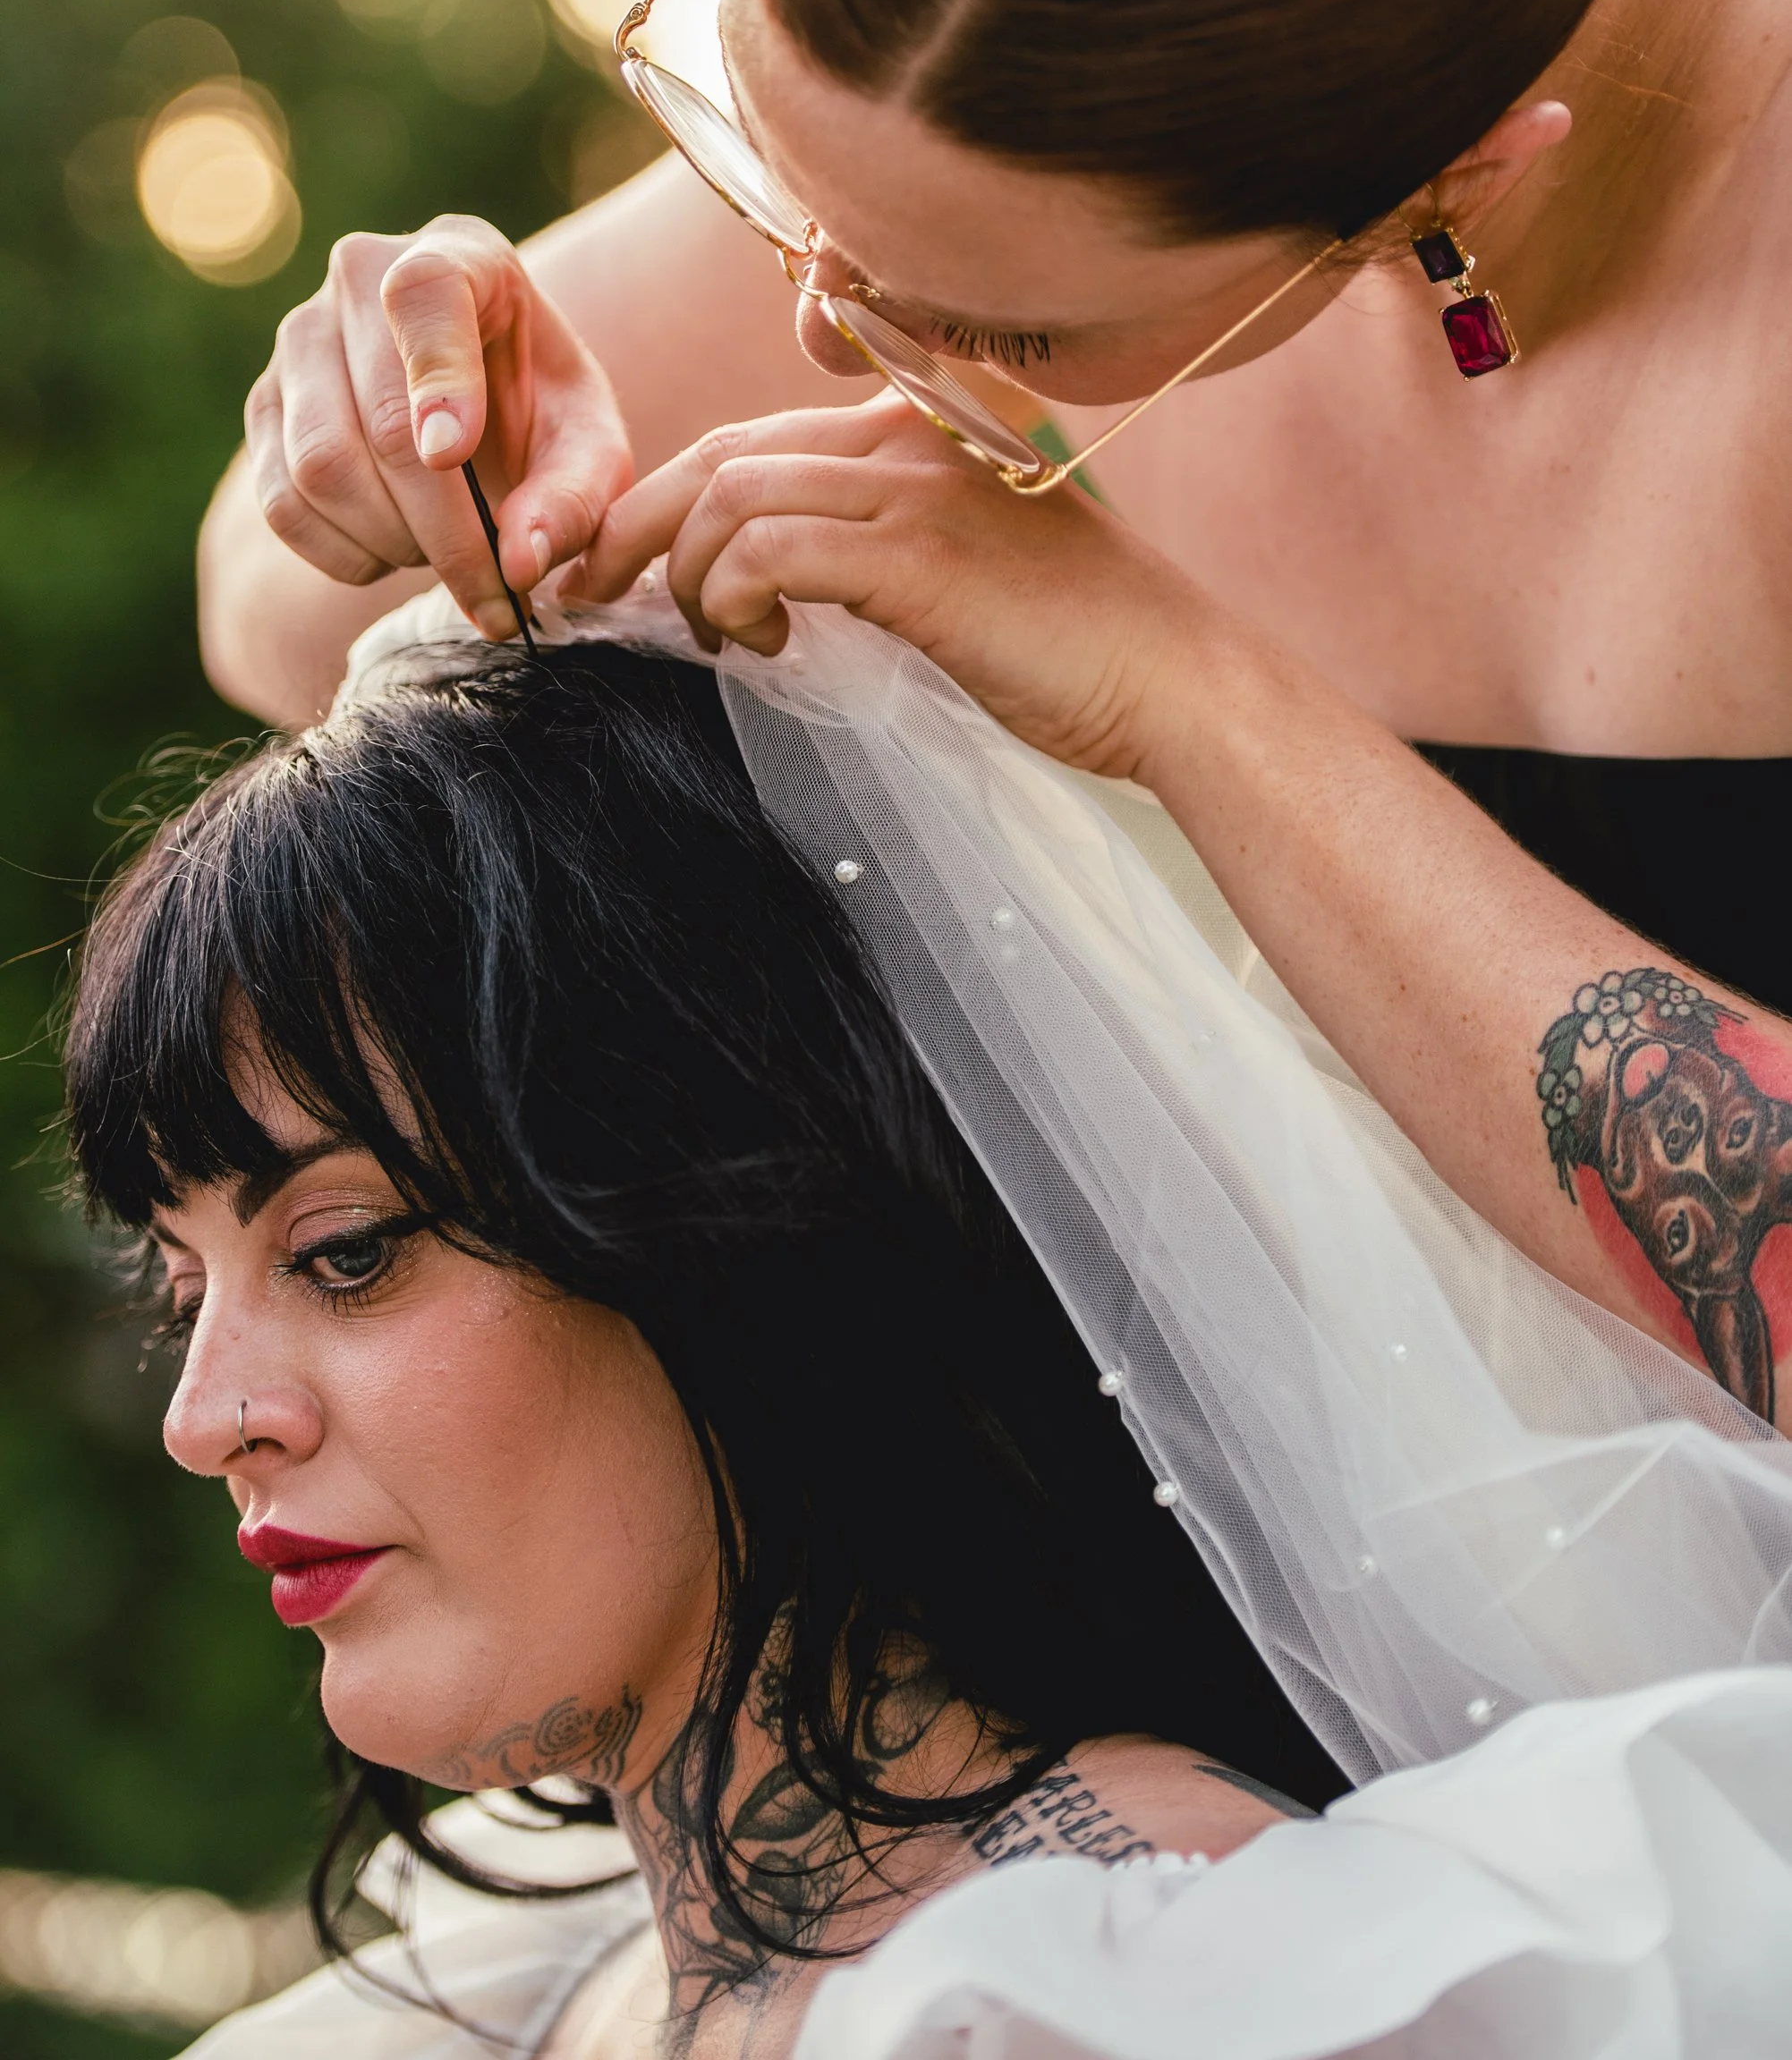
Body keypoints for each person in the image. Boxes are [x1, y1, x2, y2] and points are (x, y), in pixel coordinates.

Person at [198, 0, 1792, 1427]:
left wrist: (1187, 698)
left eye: (1004, 340)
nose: (822, 326)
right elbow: (275, 623)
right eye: (761, 155)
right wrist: (398, 423)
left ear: (1447, 182)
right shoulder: (977, 48)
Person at [63, 596, 1792, 2059]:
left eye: (346, 1252)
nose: (207, 1419)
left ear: (717, 1218)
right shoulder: (490, 1997)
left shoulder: (1160, 1996)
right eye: (182, 1291)